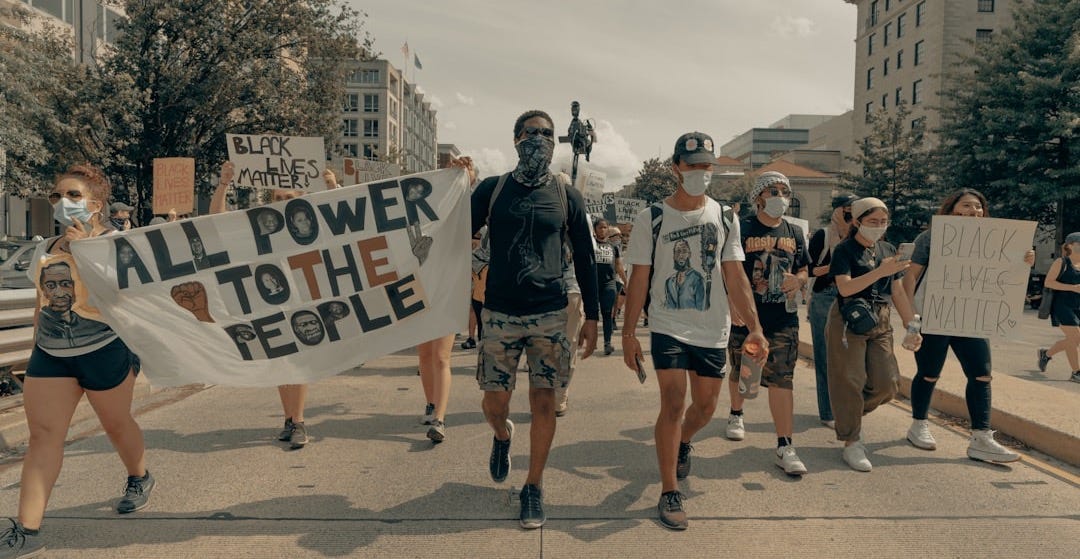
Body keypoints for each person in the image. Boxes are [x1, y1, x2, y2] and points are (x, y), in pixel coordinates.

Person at [1, 165, 153, 558]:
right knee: (42, 438)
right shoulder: (45, 249)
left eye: (71, 196)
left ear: (95, 204)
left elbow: (126, 298)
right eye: (56, 196)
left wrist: (85, 250)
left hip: (104, 349)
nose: (61, 204)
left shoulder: (116, 243)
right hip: (52, 356)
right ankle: (27, 529)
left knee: (117, 425)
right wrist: (34, 350)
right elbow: (42, 302)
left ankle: (139, 476)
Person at [622, 132, 766, 531]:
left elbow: (734, 275)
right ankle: (669, 490)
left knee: (704, 408)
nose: (701, 173)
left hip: (712, 329)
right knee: (672, 400)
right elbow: (639, 278)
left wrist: (754, 326)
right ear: (676, 169)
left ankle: (684, 441)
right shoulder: (651, 217)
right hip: (668, 326)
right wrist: (629, 332)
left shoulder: (725, 217)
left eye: (707, 166)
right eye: (693, 166)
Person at [470, 110, 599, 530]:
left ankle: (534, 487)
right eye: (531, 133)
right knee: (495, 403)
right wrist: (456, 181)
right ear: (515, 139)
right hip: (500, 313)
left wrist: (594, 317)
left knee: (544, 401)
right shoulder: (493, 190)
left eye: (547, 134)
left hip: (549, 313)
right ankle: (503, 436)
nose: (540, 139)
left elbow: (585, 258)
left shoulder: (567, 197)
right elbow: (451, 233)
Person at [208, 162, 340, 450]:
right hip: (269, 302)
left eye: (290, 199)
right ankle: (289, 419)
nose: (284, 204)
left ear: (301, 199)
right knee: (282, 362)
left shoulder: (309, 226)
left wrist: (331, 186)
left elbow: (344, 224)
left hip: (303, 301)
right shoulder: (257, 227)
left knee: (298, 362)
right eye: (279, 199)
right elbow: (217, 219)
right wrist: (223, 184)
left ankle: (299, 421)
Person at [903, 189, 1032, 462]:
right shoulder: (931, 237)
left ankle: (981, 437)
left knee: (982, 374)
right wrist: (913, 316)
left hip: (972, 319)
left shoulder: (995, 240)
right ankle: (919, 424)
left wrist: (1024, 261)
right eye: (966, 206)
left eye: (978, 207)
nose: (974, 211)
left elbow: (1006, 275)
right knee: (929, 373)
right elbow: (910, 277)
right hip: (935, 315)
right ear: (951, 210)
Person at [724, 171, 811, 475]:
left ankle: (785, 445)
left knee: (782, 379)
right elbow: (730, 271)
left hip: (784, 317)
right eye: (773, 191)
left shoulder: (795, 231)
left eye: (784, 191)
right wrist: (734, 306)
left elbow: (804, 270)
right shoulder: (741, 227)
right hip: (747, 316)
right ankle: (737, 412)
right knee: (742, 371)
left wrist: (797, 281)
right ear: (759, 195)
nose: (780, 197)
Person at [827, 197, 919, 472]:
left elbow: (898, 291)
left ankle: (849, 415)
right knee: (850, 381)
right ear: (857, 222)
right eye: (872, 222)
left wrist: (911, 325)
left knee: (888, 383)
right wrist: (881, 271)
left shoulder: (888, 249)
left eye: (883, 221)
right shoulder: (845, 250)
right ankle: (852, 440)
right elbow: (844, 288)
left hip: (880, 319)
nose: (879, 227)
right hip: (849, 318)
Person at [416, 156, 479, 443]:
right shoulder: (417, 218)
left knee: (441, 355)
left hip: (447, 289)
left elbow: (469, 202)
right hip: (419, 289)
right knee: (425, 355)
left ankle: (440, 418)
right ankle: (431, 404)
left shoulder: (459, 216)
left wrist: (467, 175)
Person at [806, 193, 857, 428]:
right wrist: (838, 260)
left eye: (854, 208)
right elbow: (809, 270)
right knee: (826, 356)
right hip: (825, 297)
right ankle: (828, 412)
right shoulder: (823, 235)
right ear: (837, 210)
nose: (850, 212)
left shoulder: (860, 235)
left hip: (852, 299)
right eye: (846, 208)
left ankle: (848, 407)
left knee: (850, 357)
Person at [1038, 231, 1080, 383]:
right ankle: (1076, 372)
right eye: (1079, 244)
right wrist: (1072, 287)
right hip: (1062, 306)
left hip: (1078, 306)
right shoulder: (1061, 262)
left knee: (1073, 340)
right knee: (1075, 336)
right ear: (1070, 245)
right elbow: (1048, 282)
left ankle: (1046, 354)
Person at [593, 218, 628, 355]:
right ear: (595, 229)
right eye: (600, 227)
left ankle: (607, 343)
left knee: (607, 313)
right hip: (593, 284)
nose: (602, 230)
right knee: (592, 314)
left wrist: (626, 282)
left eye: (605, 227)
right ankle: (592, 340)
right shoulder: (591, 245)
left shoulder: (613, 247)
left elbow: (618, 266)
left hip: (609, 284)